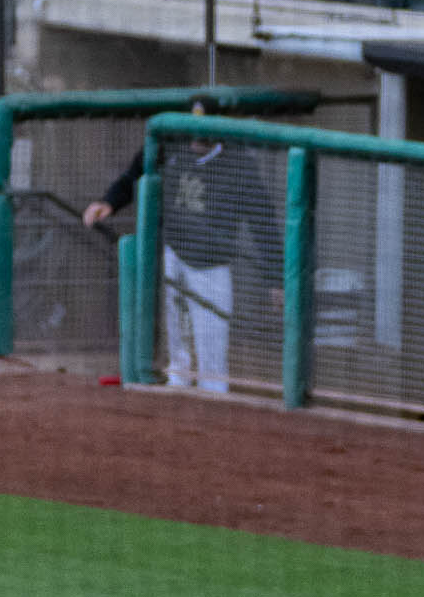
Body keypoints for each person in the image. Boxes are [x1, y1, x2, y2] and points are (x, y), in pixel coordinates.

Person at [83, 101, 278, 392]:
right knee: (178, 342)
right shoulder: (170, 147)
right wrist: (108, 201)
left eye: (205, 131)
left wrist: (275, 278)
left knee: (211, 346)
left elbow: (263, 222)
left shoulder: (238, 165)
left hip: (211, 266)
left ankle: (214, 400)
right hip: (174, 254)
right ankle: (177, 395)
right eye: (194, 130)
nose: (197, 139)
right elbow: (134, 174)